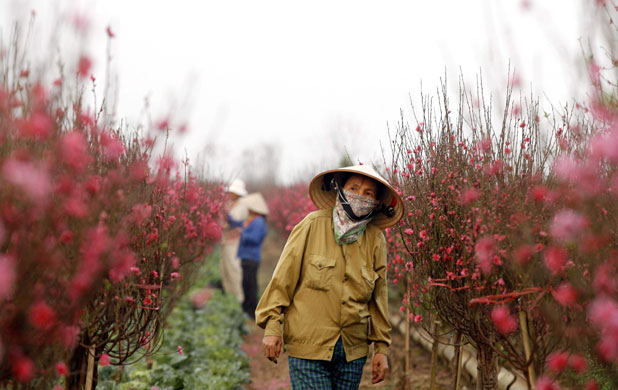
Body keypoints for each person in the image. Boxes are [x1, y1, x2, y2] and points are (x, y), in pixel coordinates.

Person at [255, 165, 404, 389]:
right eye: (353, 188)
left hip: (352, 353)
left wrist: (381, 349)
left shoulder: (375, 239)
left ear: (375, 203)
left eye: (368, 194)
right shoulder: (311, 225)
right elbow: (282, 280)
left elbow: (378, 298)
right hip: (308, 346)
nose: (359, 196)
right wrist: (273, 327)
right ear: (340, 190)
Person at [238, 192, 269, 319]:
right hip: (246, 256)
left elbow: (255, 239)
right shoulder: (252, 220)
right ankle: (246, 307)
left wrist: (242, 233)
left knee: (250, 284)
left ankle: (251, 311)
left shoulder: (258, 222)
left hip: (251, 257)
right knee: (246, 283)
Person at [220, 179, 248, 302]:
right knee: (224, 267)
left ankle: (238, 297)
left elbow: (238, 222)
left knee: (234, 267)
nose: (230, 193)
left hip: (235, 241)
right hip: (225, 239)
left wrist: (228, 217)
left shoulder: (242, 206)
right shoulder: (229, 204)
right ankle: (228, 295)